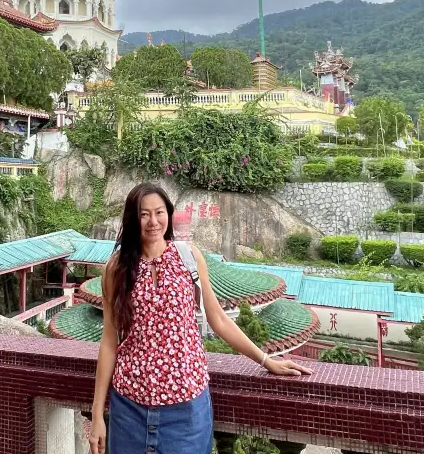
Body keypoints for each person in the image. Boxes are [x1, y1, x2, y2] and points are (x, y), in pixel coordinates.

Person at [89, 183, 312, 454]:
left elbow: (218, 319)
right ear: (132, 218)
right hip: (129, 405)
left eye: (159, 212)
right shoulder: (117, 268)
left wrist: (266, 360)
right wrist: (98, 414)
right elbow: (109, 341)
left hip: (186, 408)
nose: (152, 221)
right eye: (143, 214)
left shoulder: (188, 257)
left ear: (169, 215)